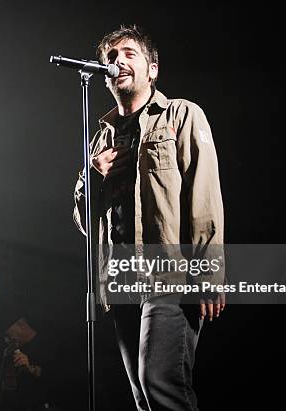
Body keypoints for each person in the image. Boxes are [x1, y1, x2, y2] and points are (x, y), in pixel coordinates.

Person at [73, 26, 225, 410]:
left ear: (152, 69)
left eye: (128, 54)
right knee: (143, 397)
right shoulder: (101, 139)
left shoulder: (182, 114)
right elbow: (85, 223)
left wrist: (209, 271)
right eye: (110, 57)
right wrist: (92, 175)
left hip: (170, 272)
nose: (116, 62)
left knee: (159, 380)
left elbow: (204, 196)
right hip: (121, 278)